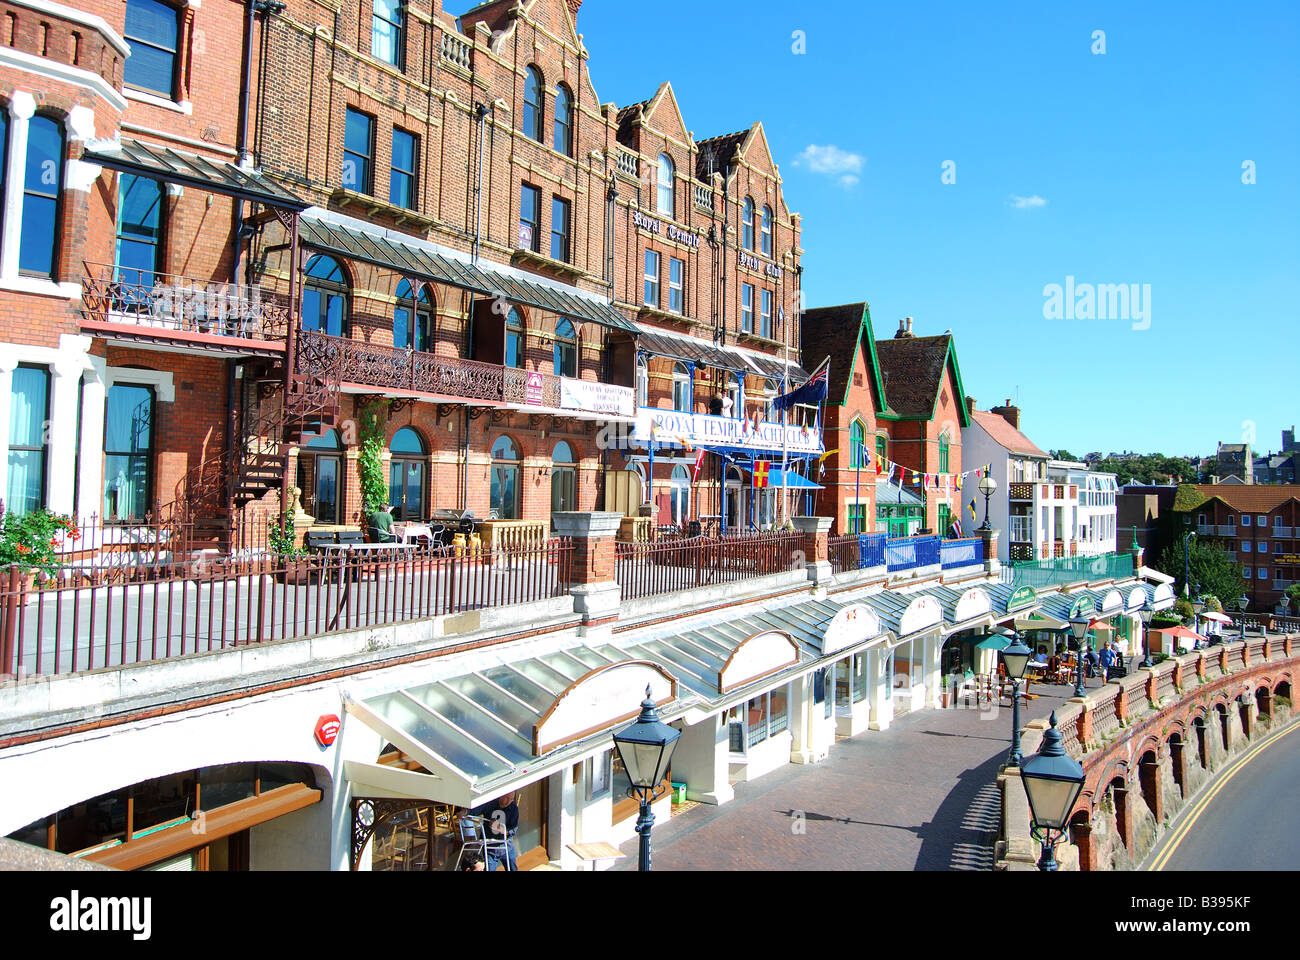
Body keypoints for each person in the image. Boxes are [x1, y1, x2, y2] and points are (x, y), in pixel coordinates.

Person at [470, 791, 519, 871]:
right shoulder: (490, 803)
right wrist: (465, 812)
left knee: (512, 869)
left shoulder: (513, 808)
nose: (508, 802)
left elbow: (513, 830)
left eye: (511, 799)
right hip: (490, 847)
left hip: (506, 846)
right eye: (507, 798)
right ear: (501, 795)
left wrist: (500, 828)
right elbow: (476, 810)